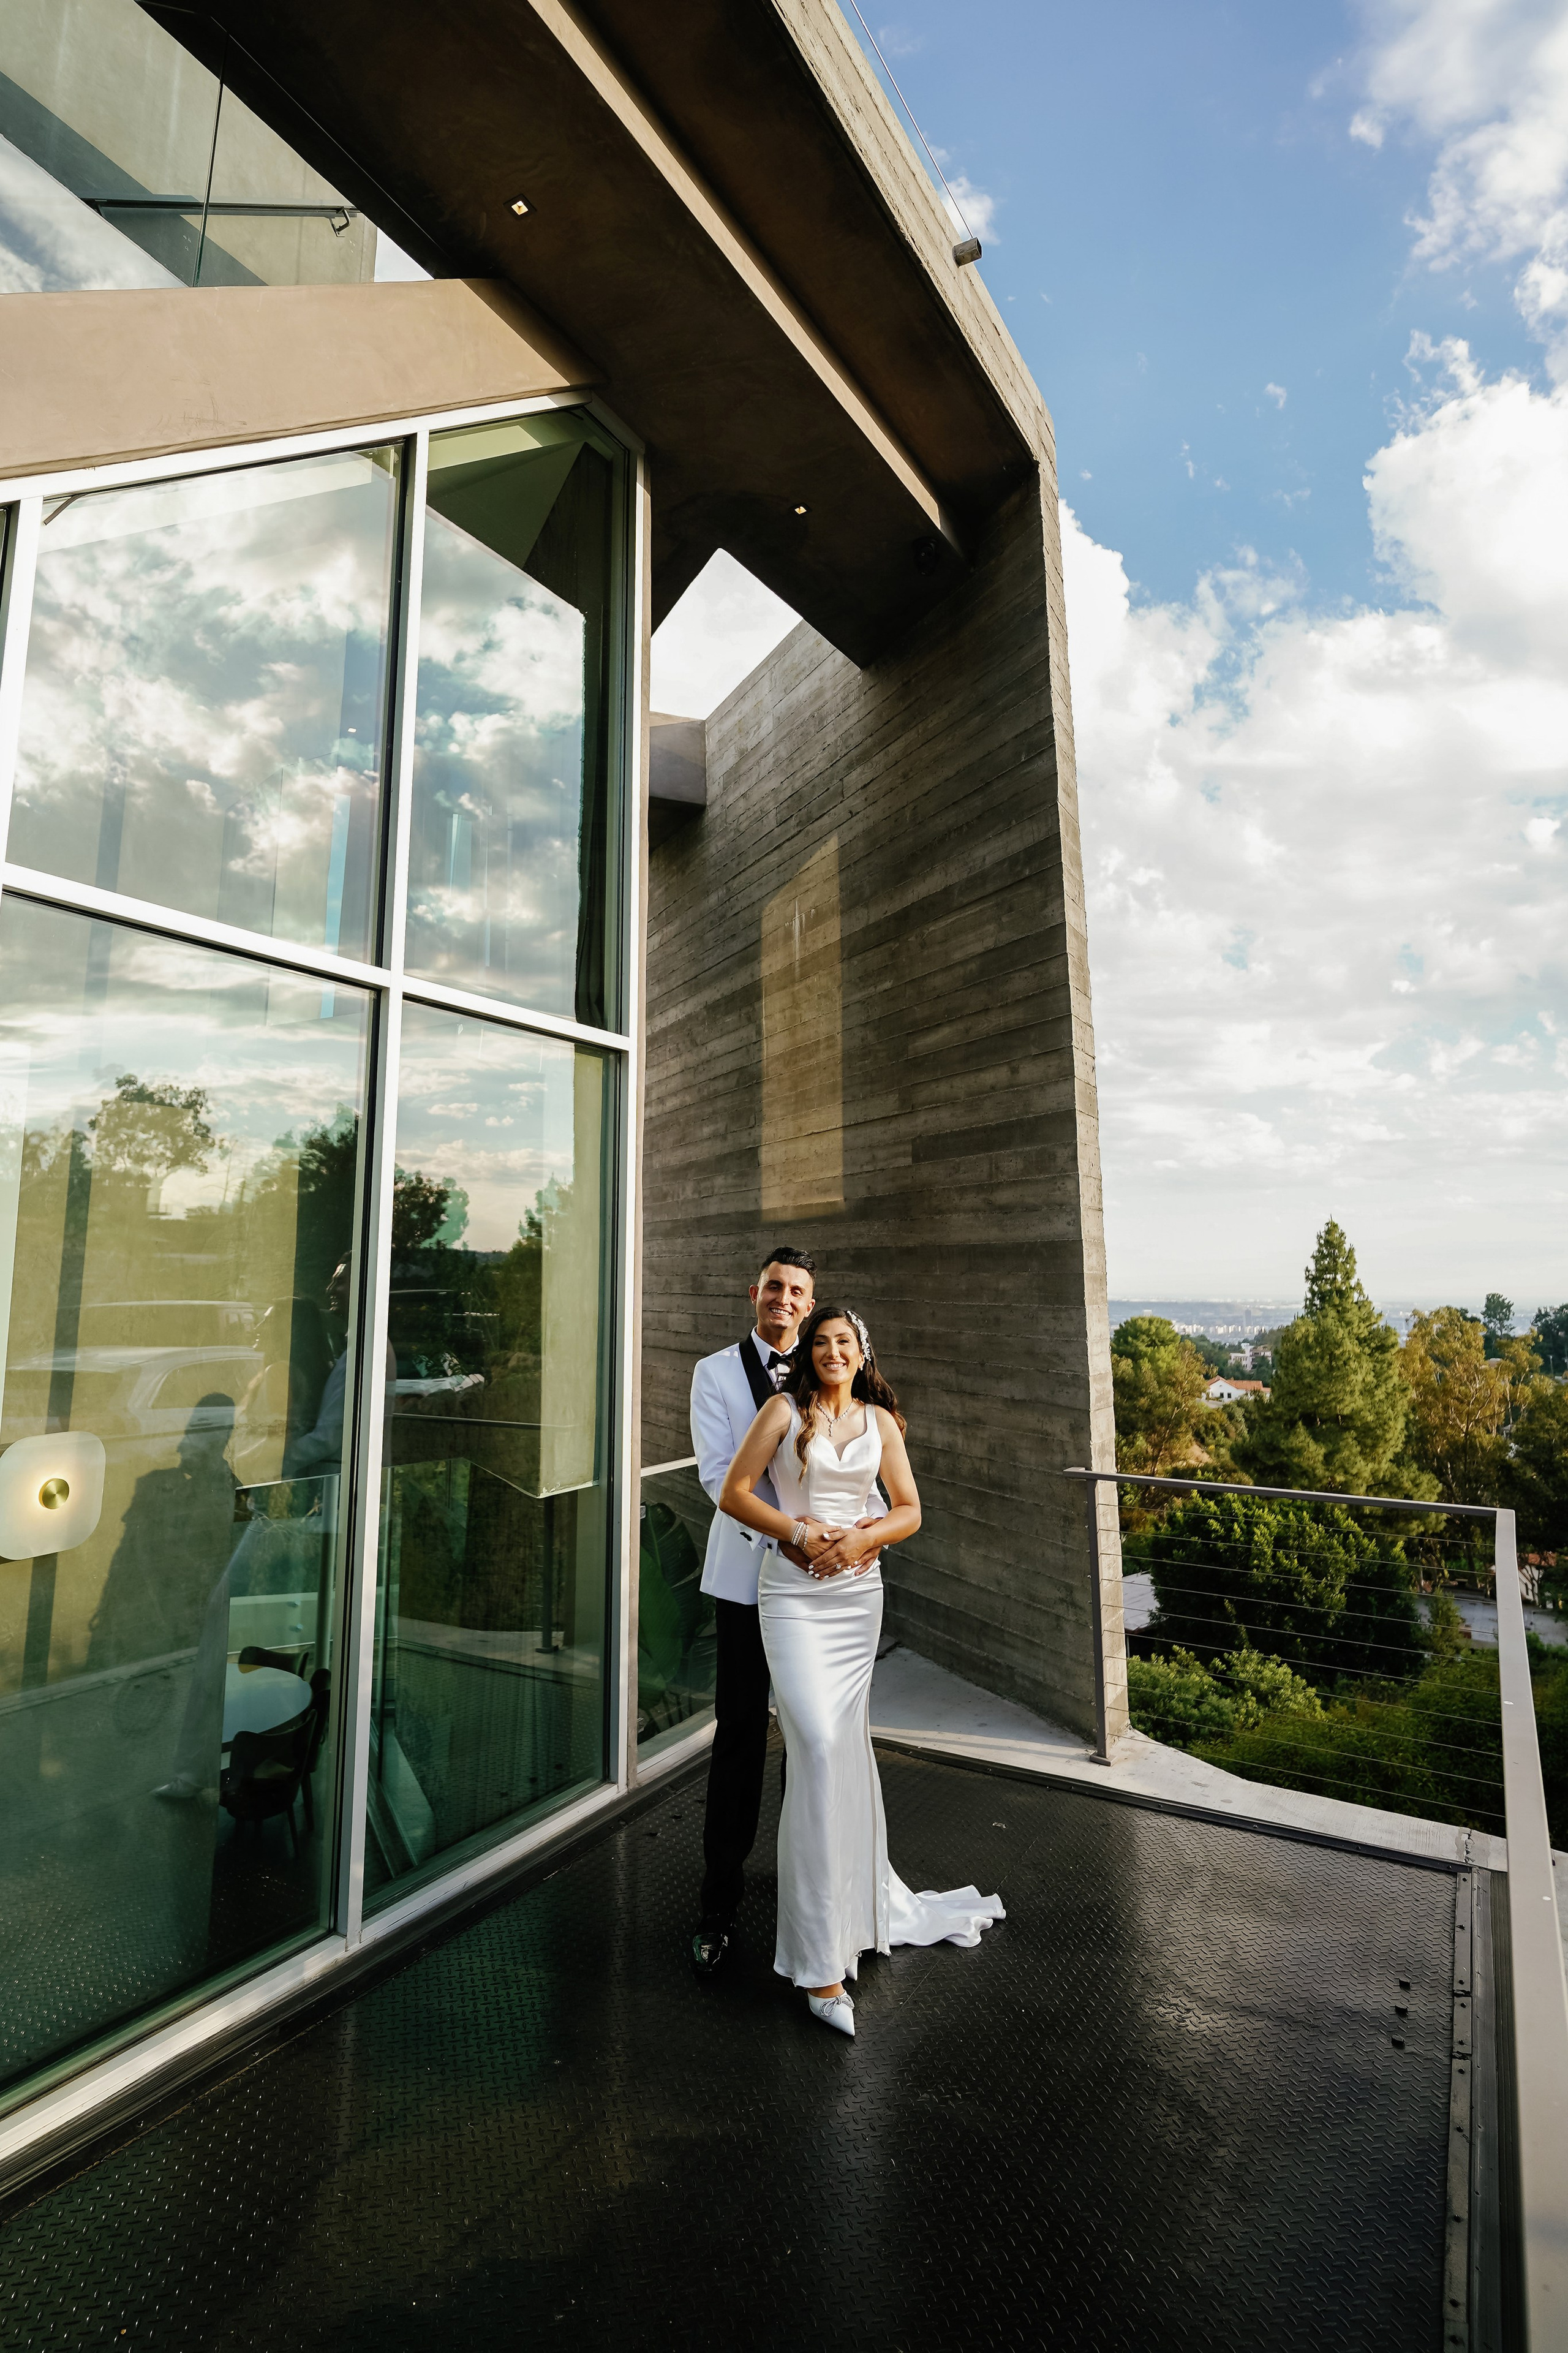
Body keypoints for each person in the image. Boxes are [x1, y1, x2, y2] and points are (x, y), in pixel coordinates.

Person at [720, 1303, 1004, 2036]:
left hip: (855, 1602)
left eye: (844, 1341)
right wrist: (800, 1531)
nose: (832, 1351)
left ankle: (849, 1914)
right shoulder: (782, 1410)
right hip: (791, 1598)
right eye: (821, 1343)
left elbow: (909, 1510)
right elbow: (735, 1492)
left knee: (841, 1751)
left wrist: (864, 1539)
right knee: (812, 1744)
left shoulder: (880, 1422)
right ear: (808, 1354)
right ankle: (818, 1967)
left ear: (860, 1350)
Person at [687, 1247, 817, 1976]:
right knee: (739, 1737)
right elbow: (716, 1478)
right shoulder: (712, 1372)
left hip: (815, 1590)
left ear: (810, 1301)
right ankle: (718, 1902)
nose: (783, 1299)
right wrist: (792, 1538)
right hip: (744, 1581)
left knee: (808, 1740)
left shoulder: (832, 1367)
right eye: (774, 1286)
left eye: (796, 1290)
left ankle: (808, 1894)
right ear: (754, 1294)